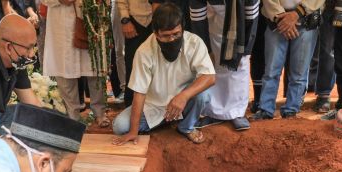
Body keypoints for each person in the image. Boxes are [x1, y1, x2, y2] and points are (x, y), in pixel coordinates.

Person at [112, 3, 215, 145]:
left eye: (176, 34)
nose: (172, 39)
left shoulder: (195, 43)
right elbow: (139, 93)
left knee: (204, 95)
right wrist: (133, 132)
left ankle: (186, 126)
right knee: (119, 126)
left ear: (182, 28)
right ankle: (168, 120)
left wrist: (183, 96)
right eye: (166, 36)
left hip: (184, 102)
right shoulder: (144, 51)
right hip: (154, 106)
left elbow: (209, 77)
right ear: (155, 33)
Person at [189, 0, 259, 131]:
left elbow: (251, 16)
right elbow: (198, 19)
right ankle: (211, 112)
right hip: (210, 28)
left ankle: (237, 113)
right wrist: (206, 50)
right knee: (210, 68)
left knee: (240, 67)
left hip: (240, 28)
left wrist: (246, 48)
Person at [249, 0, 325, 121]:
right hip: (277, 19)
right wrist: (282, 19)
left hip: (306, 19)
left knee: (299, 72)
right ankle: (266, 109)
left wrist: (296, 14)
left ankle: (291, 110)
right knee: (271, 70)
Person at [42, 0, 108, 127]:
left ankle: (100, 113)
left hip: (90, 18)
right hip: (60, 22)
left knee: (95, 69)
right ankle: (73, 117)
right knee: (65, 71)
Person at [117, 0, 152, 107]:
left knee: (159, 64)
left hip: (159, 18)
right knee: (133, 65)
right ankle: (131, 107)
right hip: (134, 21)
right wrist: (125, 20)